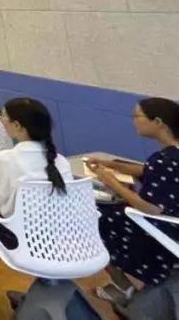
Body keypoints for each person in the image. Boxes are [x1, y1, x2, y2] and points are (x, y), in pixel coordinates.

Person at [0, 98, 73, 302]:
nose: (1, 121)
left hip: (21, 239)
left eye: (3, 116)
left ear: (17, 125)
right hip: (63, 237)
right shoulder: (61, 161)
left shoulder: (5, 159)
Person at [87, 97, 179, 309]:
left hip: (166, 229)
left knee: (97, 216)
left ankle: (124, 285)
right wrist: (110, 164)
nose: (134, 121)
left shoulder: (165, 160)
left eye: (137, 116)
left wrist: (111, 182)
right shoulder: (169, 156)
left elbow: (150, 208)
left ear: (158, 122)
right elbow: (147, 170)